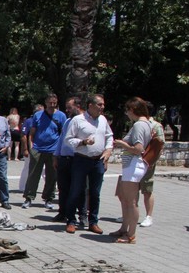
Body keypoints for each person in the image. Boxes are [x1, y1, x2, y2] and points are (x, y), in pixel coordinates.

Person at [63, 94, 114, 235]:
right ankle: (71, 221)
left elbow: (109, 136)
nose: (102, 107)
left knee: (95, 193)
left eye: (103, 104)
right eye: (99, 105)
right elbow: (68, 140)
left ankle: (93, 222)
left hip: (98, 160)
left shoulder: (103, 120)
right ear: (90, 105)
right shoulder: (78, 120)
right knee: (76, 191)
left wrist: (108, 150)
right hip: (81, 159)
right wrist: (82, 142)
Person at [111, 97, 153, 244]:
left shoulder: (139, 125)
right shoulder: (146, 124)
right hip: (132, 165)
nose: (126, 114)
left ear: (133, 110)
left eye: (128, 110)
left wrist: (122, 144)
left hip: (134, 165)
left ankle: (131, 235)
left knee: (131, 202)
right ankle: (124, 229)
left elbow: (138, 148)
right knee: (126, 199)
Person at [22, 94, 65, 210]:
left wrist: (60, 150)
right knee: (33, 175)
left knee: (52, 176)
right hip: (38, 149)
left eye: (54, 103)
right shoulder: (38, 115)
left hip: (53, 150)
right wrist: (31, 148)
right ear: (45, 103)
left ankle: (48, 198)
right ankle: (29, 197)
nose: (52, 105)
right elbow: (31, 133)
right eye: (50, 103)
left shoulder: (61, 116)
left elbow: (63, 134)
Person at [52, 96, 84, 224]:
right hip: (64, 159)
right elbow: (61, 139)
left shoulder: (84, 121)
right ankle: (62, 212)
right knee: (63, 187)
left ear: (78, 106)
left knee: (79, 188)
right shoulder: (67, 121)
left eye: (69, 108)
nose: (67, 110)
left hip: (77, 158)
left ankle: (82, 215)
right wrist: (56, 155)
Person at [139, 102, 166, 228]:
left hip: (147, 162)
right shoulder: (138, 123)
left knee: (147, 189)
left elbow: (159, 146)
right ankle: (130, 213)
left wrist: (151, 162)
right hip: (136, 160)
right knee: (132, 188)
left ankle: (148, 216)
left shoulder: (156, 126)